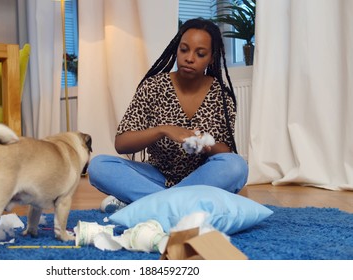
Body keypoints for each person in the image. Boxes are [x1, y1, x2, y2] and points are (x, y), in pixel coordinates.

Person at [87, 18, 249, 213]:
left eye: (200, 53)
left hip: (201, 178)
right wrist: (163, 130)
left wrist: (205, 144)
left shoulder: (221, 96)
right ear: (176, 49)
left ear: (211, 58)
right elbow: (122, 143)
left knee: (237, 166)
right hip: (155, 176)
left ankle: (151, 204)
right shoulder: (154, 86)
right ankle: (182, 206)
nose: (189, 58)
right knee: (98, 166)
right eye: (184, 49)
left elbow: (224, 151)